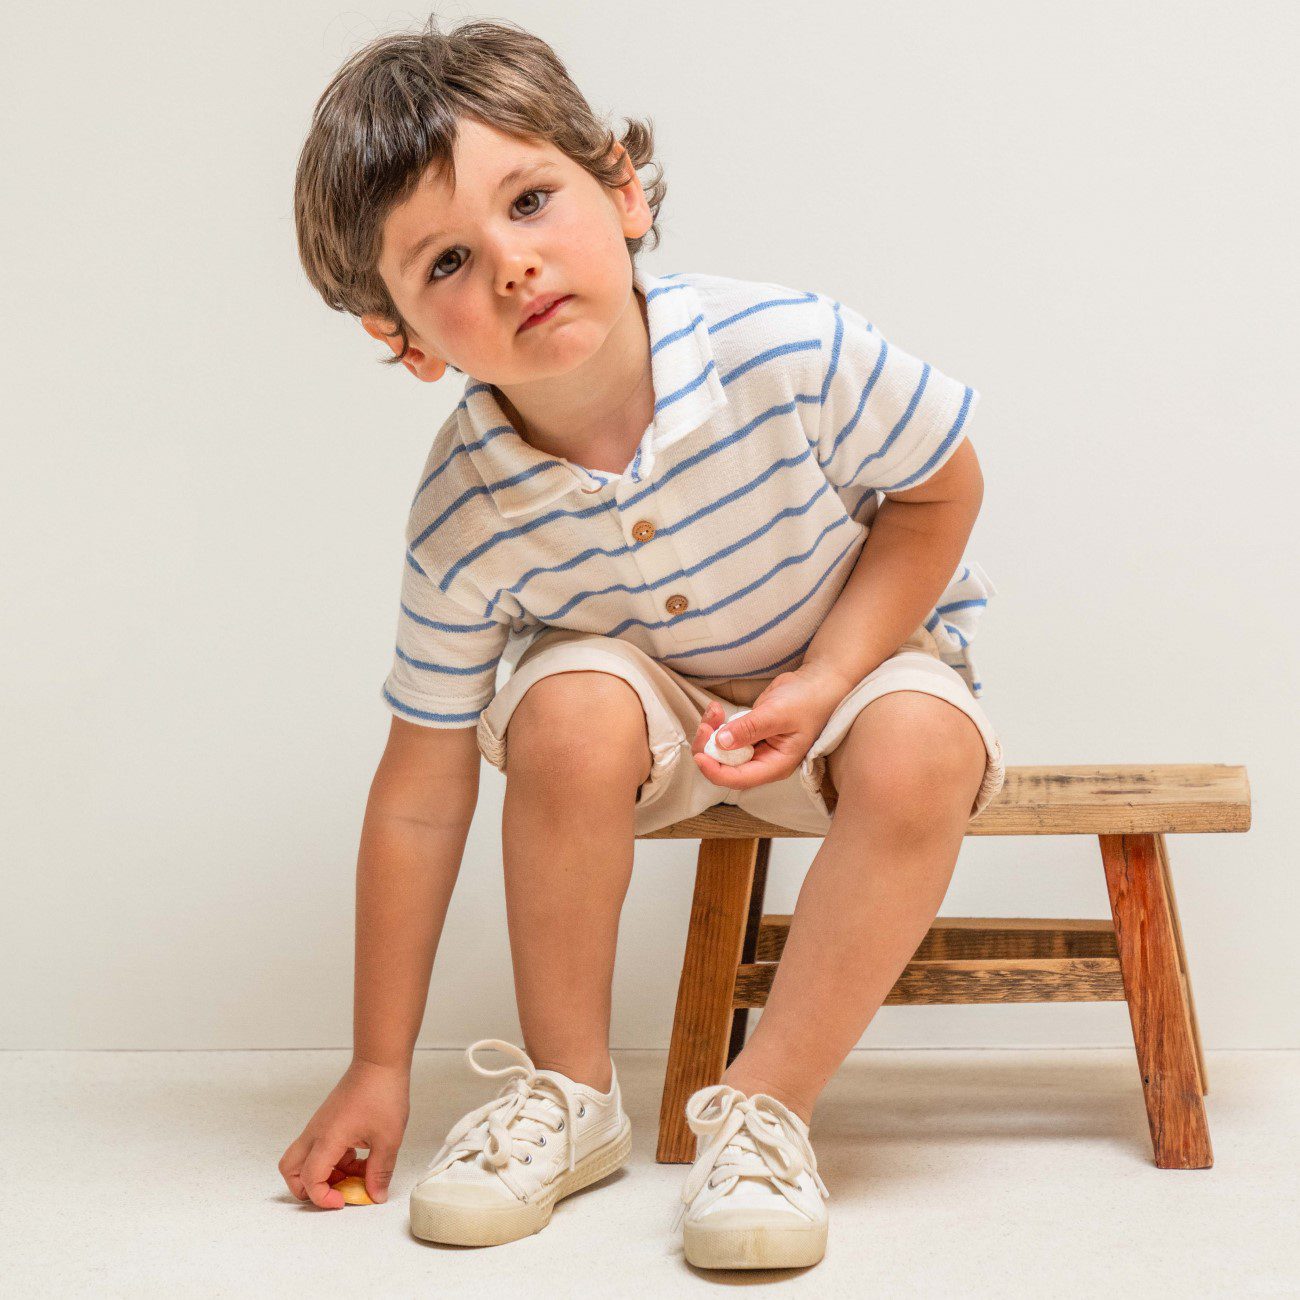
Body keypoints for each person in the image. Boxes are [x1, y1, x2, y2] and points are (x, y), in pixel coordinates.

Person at [279, 13, 1004, 1271]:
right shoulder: (461, 506)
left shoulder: (784, 348)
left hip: (852, 671)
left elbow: (942, 488)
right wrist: (377, 1064)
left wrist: (829, 674)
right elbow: (421, 786)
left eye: (530, 201)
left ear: (620, 190)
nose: (511, 264)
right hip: (650, 715)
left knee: (923, 743)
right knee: (562, 708)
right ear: (401, 339)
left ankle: (763, 1109)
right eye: (446, 261)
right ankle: (570, 1093)